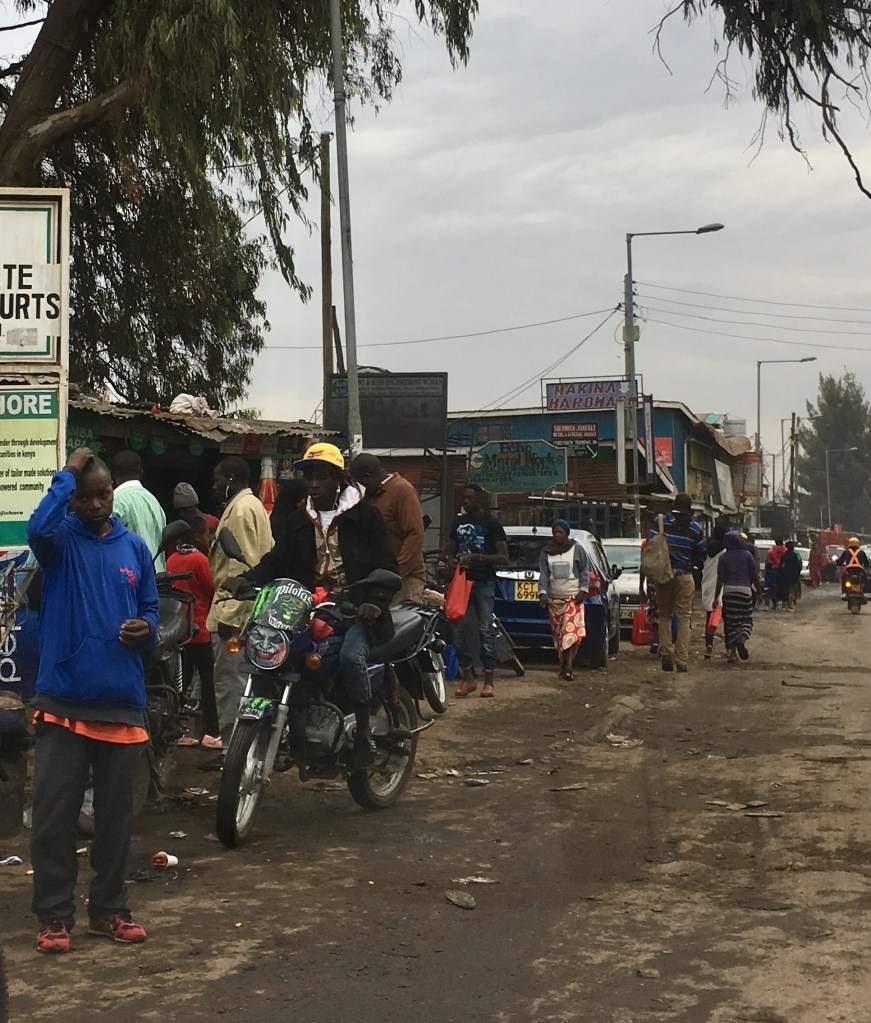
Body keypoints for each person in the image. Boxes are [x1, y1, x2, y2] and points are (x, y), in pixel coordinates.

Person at [26, 448, 158, 954]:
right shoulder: (59, 544)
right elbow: (37, 526)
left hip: (122, 701)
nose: (98, 503)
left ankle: (109, 910)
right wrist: (66, 476)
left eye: (104, 494)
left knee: (115, 821)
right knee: (54, 817)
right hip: (63, 700)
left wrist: (145, 629)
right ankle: (54, 916)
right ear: (74, 500)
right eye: (87, 497)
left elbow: (149, 606)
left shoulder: (133, 548)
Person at [223, 442, 398, 767]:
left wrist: (374, 600)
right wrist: (247, 579)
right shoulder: (298, 520)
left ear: (338, 479)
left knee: (350, 657)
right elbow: (276, 560)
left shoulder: (366, 516)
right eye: (308, 476)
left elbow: (387, 564)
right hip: (305, 608)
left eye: (321, 476)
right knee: (280, 656)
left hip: (354, 609)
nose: (314, 483)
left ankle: (362, 734)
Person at [203, 457, 273, 766]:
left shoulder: (241, 511)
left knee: (230, 684)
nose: (215, 485)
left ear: (231, 478)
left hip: (235, 613)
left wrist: (232, 617)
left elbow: (241, 567)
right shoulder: (249, 505)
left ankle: (231, 752)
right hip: (242, 611)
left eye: (219, 479)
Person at [442, 484, 508, 698]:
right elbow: (450, 550)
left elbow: (503, 557)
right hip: (461, 583)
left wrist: (477, 558)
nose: (465, 502)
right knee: (457, 629)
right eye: (464, 498)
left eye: (470, 498)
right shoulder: (457, 523)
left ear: (479, 500)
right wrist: (452, 561)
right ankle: (467, 677)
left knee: (485, 629)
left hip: (484, 582)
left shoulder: (491, 523)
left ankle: (489, 679)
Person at [166, 515, 221, 748]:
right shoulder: (200, 560)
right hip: (201, 630)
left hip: (179, 630)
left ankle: (176, 730)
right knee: (209, 682)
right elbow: (211, 590)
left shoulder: (171, 560)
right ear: (198, 536)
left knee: (180, 681)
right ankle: (212, 732)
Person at [349, 453, 426, 603]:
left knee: (400, 623)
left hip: (406, 578)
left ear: (368, 477)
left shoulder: (402, 490)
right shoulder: (371, 497)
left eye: (360, 483)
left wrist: (397, 572)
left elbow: (415, 534)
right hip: (379, 577)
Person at [647, 493, 705, 673]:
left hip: (664, 576)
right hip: (684, 577)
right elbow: (701, 553)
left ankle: (665, 652)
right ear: (689, 508)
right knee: (683, 618)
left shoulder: (660, 522)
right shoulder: (695, 528)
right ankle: (681, 660)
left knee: (664, 614)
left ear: (674, 505)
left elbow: (651, 546)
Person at [537, 520, 590, 681]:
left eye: (560, 532)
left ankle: (568, 668)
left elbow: (584, 572)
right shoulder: (546, 552)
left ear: (566, 533)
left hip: (573, 600)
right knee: (560, 636)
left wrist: (583, 590)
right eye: (555, 533)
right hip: (555, 601)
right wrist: (543, 594)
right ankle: (563, 665)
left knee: (570, 633)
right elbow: (544, 574)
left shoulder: (577, 550)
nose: (557, 535)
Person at [111, 450, 167, 570]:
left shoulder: (114, 503)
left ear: (113, 475)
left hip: (131, 581)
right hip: (158, 581)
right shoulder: (154, 502)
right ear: (141, 474)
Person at [713, 531, 761, 663]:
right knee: (746, 619)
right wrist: (759, 592)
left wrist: (716, 597)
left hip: (728, 593)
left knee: (730, 623)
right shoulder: (747, 556)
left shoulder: (723, 557)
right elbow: (754, 575)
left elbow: (720, 579)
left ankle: (732, 653)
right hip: (745, 591)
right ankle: (742, 639)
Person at [701, 525, 727, 659]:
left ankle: (709, 647)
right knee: (727, 618)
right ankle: (729, 648)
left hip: (707, 584)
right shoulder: (725, 550)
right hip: (722, 586)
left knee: (709, 616)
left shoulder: (706, 548)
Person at [173, 482, 219, 547]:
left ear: (194, 505)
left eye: (185, 509)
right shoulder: (178, 529)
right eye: (178, 510)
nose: (181, 513)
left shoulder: (213, 523)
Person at [764, 537, 787, 610]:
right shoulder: (786, 551)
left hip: (773, 570)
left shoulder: (771, 551)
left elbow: (767, 561)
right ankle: (783, 603)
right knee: (783, 587)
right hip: (783, 570)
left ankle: (774, 602)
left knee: (772, 587)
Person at [779, 540, 803, 611]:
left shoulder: (784, 555)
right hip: (793, 575)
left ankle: (783, 606)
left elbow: (780, 565)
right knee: (792, 590)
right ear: (792, 547)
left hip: (785, 575)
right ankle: (789, 605)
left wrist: (782, 572)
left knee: (785, 590)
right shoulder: (794, 555)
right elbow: (798, 566)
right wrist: (798, 572)